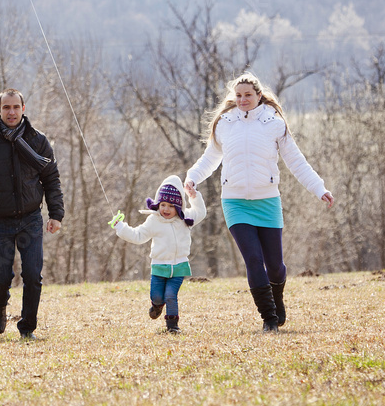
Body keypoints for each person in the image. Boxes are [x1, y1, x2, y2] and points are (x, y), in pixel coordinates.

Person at [184, 72, 333, 333]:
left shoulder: (274, 124)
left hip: (268, 201)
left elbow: (296, 161)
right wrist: (192, 177)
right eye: (238, 95)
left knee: (275, 266)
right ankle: (269, 319)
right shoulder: (224, 124)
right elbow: (210, 158)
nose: (242, 100)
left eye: (248, 95)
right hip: (235, 202)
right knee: (253, 259)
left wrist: (319, 188)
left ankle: (277, 299)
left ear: (259, 96)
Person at [0, 88, 64, 340]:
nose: (11, 112)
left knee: (32, 274)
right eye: (6, 107)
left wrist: (56, 214)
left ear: (23, 109)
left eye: (16, 107)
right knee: (2, 276)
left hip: (30, 219)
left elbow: (51, 180)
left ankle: (27, 328)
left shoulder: (38, 140)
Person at [111, 175, 206, 334]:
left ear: (179, 205)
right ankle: (157, 305)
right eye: (163, 205)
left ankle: (172, 327)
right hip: (159, 266)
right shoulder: (153, 221)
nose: (166, 209)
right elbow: (138, 235)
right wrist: (121, 227)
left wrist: (195, 197)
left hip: (179, 266)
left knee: (170, 295)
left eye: (171, 205)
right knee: (157, 296)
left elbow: (201, 212)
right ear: (158, 204)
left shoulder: (185, 219)